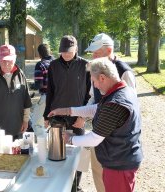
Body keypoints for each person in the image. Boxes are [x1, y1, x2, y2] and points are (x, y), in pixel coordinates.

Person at [50, 57, 143, 192]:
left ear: (102, 78)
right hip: (122, 160)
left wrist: (69, 139)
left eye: (94, 82)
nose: (96, 86)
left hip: (119, 164)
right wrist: (67, 110)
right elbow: (96, 108)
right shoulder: (121, 91)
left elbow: (94, 139)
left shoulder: (115, 103)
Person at [43, 35, 91, 191]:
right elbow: (49, 92)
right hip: (57, 115)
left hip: (78, 116)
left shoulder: (86, 65)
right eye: (63, 51)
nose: (66, 54)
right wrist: (46, 115)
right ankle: (59, 184)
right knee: (56, 151)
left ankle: (75, 186)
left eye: (69, 51)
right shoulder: (53, 66)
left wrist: (82, 116)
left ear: (76, 48)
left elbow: (89, 94)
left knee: (80, 153)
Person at [31, 43, 54, 136]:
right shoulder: (57, 62)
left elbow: (39, 85)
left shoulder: (40, 65)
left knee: (36, 123)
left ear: (39, 54)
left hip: (46, 97)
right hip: (59, 97)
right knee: (54, 122)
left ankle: (42, 143)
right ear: (50, 51)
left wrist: (29, 86)